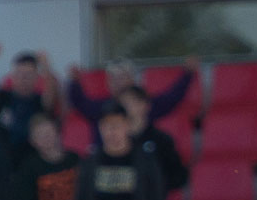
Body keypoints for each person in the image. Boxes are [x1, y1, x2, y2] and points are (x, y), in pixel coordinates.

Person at [67, 58, 198, 144]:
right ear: (108, 83)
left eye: (122, 77)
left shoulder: (143, 105)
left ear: (132, 80)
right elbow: (79, 102)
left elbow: (171, 98)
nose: (117, 82)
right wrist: (75, 82)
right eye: (113, 78)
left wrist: (188, 75)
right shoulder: (101, 107)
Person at [0, 46, 59, 166]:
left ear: (36, 77)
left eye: (28, 74)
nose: (23, 78)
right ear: (13, 76)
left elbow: (52, 92)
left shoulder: (39, 101)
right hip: (2, 160)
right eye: (19, 74)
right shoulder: (2, 97)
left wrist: (46, 66)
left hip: (32, 162)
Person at [119, 85, 189, 195]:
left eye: (131, 102)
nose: (126, 108)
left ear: (145, 105)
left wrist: (155, 183)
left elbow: (179, 177)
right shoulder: (113, 141)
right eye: (122, 104)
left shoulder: (161, 139)